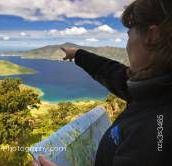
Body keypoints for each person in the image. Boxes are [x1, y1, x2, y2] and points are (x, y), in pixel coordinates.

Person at [32, 0, 172, 165]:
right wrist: (78, 54)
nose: (126, 45)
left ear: (151, 36)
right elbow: (113, 72)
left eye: (129, 35)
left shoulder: (156, 131)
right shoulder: (156, 89)